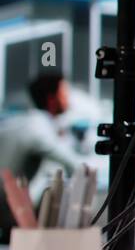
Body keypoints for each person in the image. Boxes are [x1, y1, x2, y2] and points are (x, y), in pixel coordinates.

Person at [0, 72, 87, 236]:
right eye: (65, 92)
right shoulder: (38, 126)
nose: (69, 98)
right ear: (52, 98)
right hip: (13, 214)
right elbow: (75, 164)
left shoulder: (27, 122)